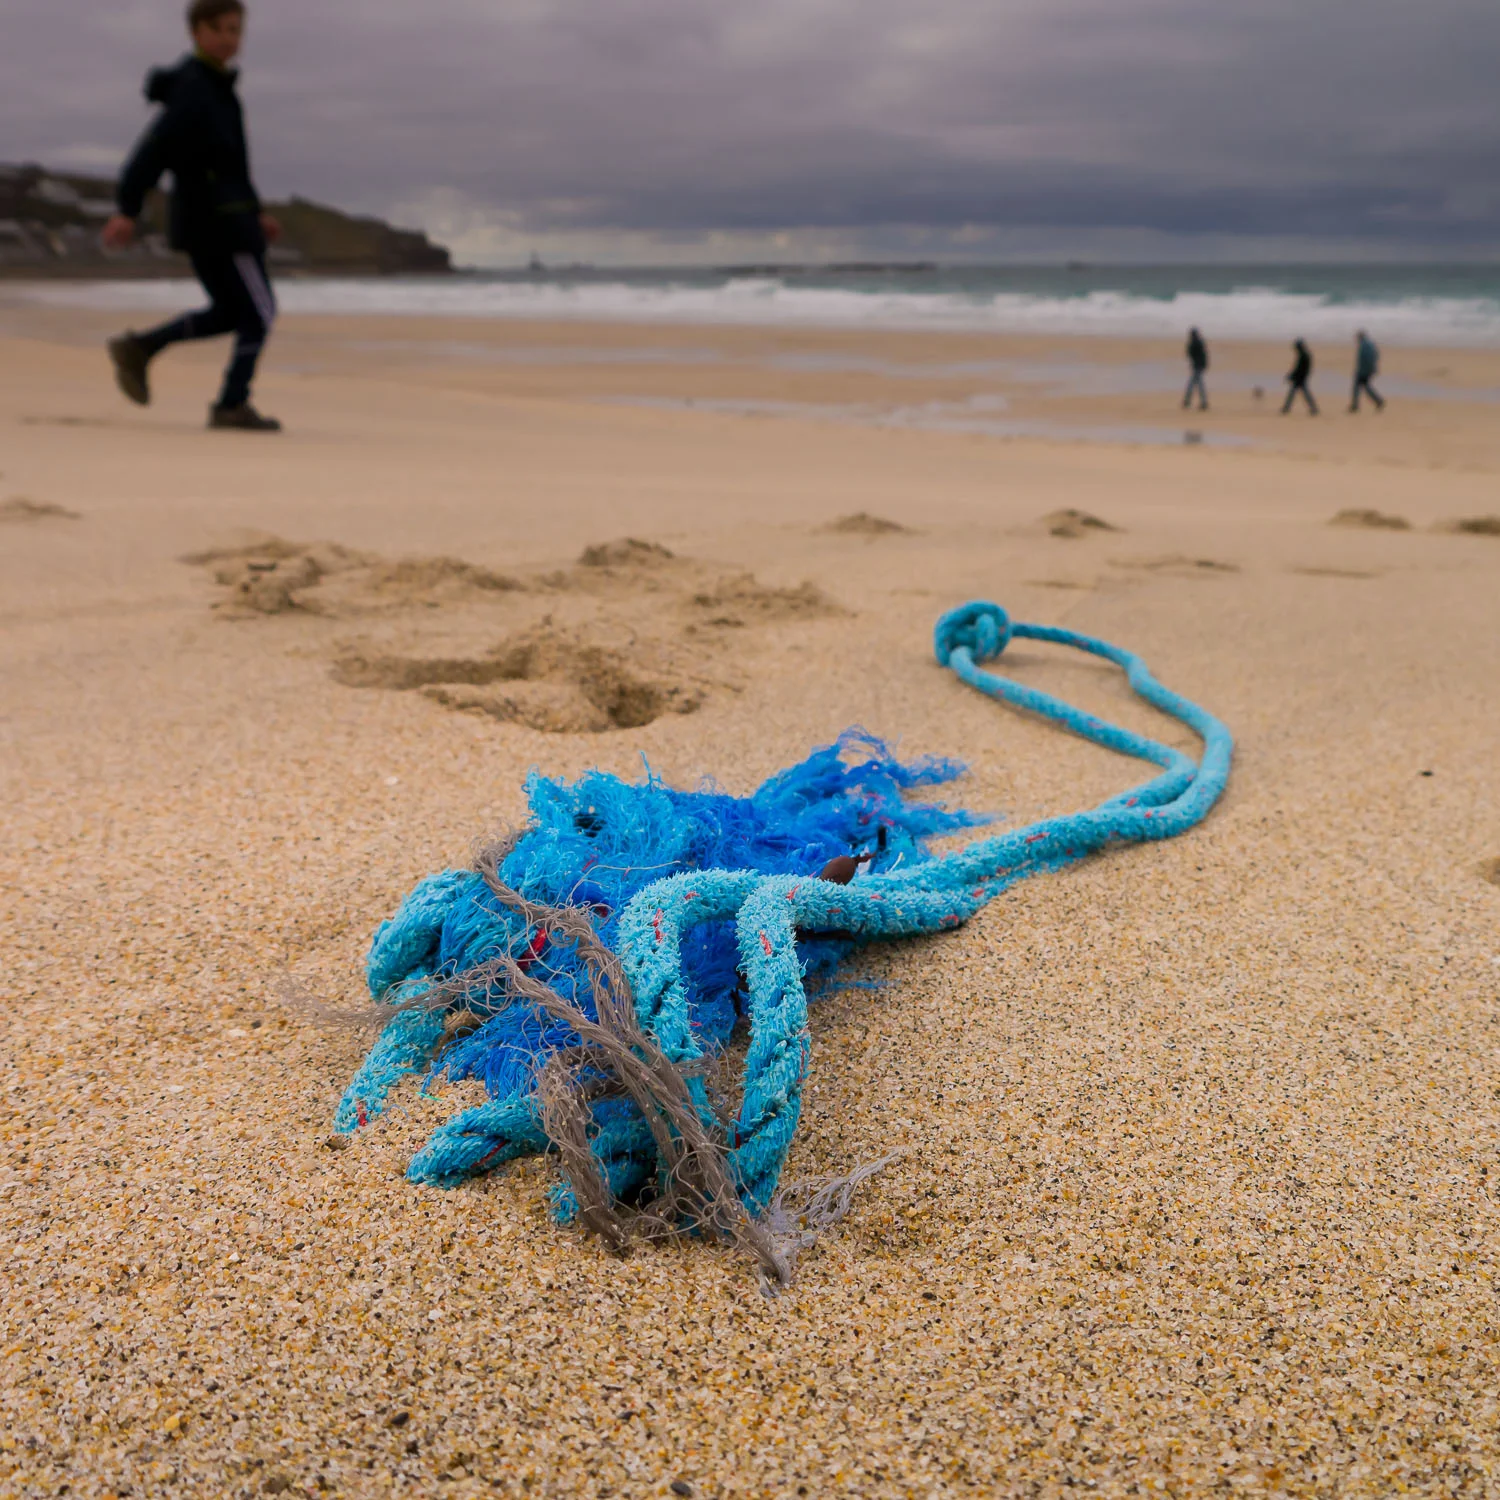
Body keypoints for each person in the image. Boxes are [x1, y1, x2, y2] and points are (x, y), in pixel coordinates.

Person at [102, 0, 282, 431]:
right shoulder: (195, 89)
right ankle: (231, 404)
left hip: (221, 218)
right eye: (219, 29)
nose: (229, 38)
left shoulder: (217, 88)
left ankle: (142, 347)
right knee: (260, 311)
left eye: (236, 30)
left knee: (229, 312)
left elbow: (230, 165)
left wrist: (256, 211)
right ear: (196, 32)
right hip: (220, 222)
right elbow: (154, 150)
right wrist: (127, 207)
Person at [1350, 330, 1385, 412]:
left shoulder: (1364, 345)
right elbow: (1376, 355)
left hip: (1364, 371)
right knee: (1364, 387)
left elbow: (1366, 359)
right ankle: (1377, 401)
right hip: (1367, 370)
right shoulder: (1370, 344)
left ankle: (1356, 405)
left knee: (1359, 387)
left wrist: (1364, 370)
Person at [1281, 338, 1318, 415]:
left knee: (1295, 394)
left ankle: (1286, 408)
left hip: (1300, 378)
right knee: (1298, 394)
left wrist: (1291, 376)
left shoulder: (1303, 356)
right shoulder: (1305, 355)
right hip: (1301, 377)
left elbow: (1298, 369)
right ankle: (1313, 408)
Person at [1183, 327, 1208, 410]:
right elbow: (1204, 356)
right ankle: (1202, 402)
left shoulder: (1194, 343)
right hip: (1199, 366)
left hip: (1197, 366)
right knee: (1197, 384)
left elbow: (1189, 354)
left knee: (1194, 384)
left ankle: (1188, 401)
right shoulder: (1200, 343)